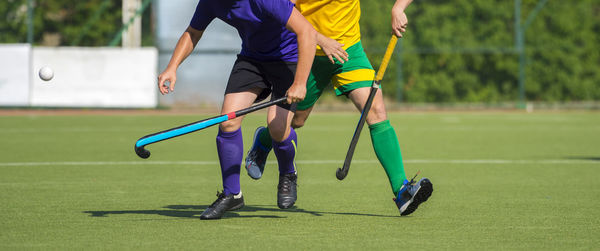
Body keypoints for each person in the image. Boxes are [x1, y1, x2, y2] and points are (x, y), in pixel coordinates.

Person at [245, 0, 433, 216]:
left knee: (376, 109)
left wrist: (398, 8)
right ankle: (264, 139)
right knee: (295, 121)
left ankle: (402, 191)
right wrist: (320, 39)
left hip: (348, 51)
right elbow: (279, 15)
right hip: (307, 52)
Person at [158, 0, 316, 220]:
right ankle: (232, 193)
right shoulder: (211, 2)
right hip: (252, 60)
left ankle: (288, 173)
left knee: (278, 128)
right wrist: (172, 67)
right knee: (228, 122)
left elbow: (307, 32)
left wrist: (299, 82)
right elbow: (193, 32)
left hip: (288, 59)